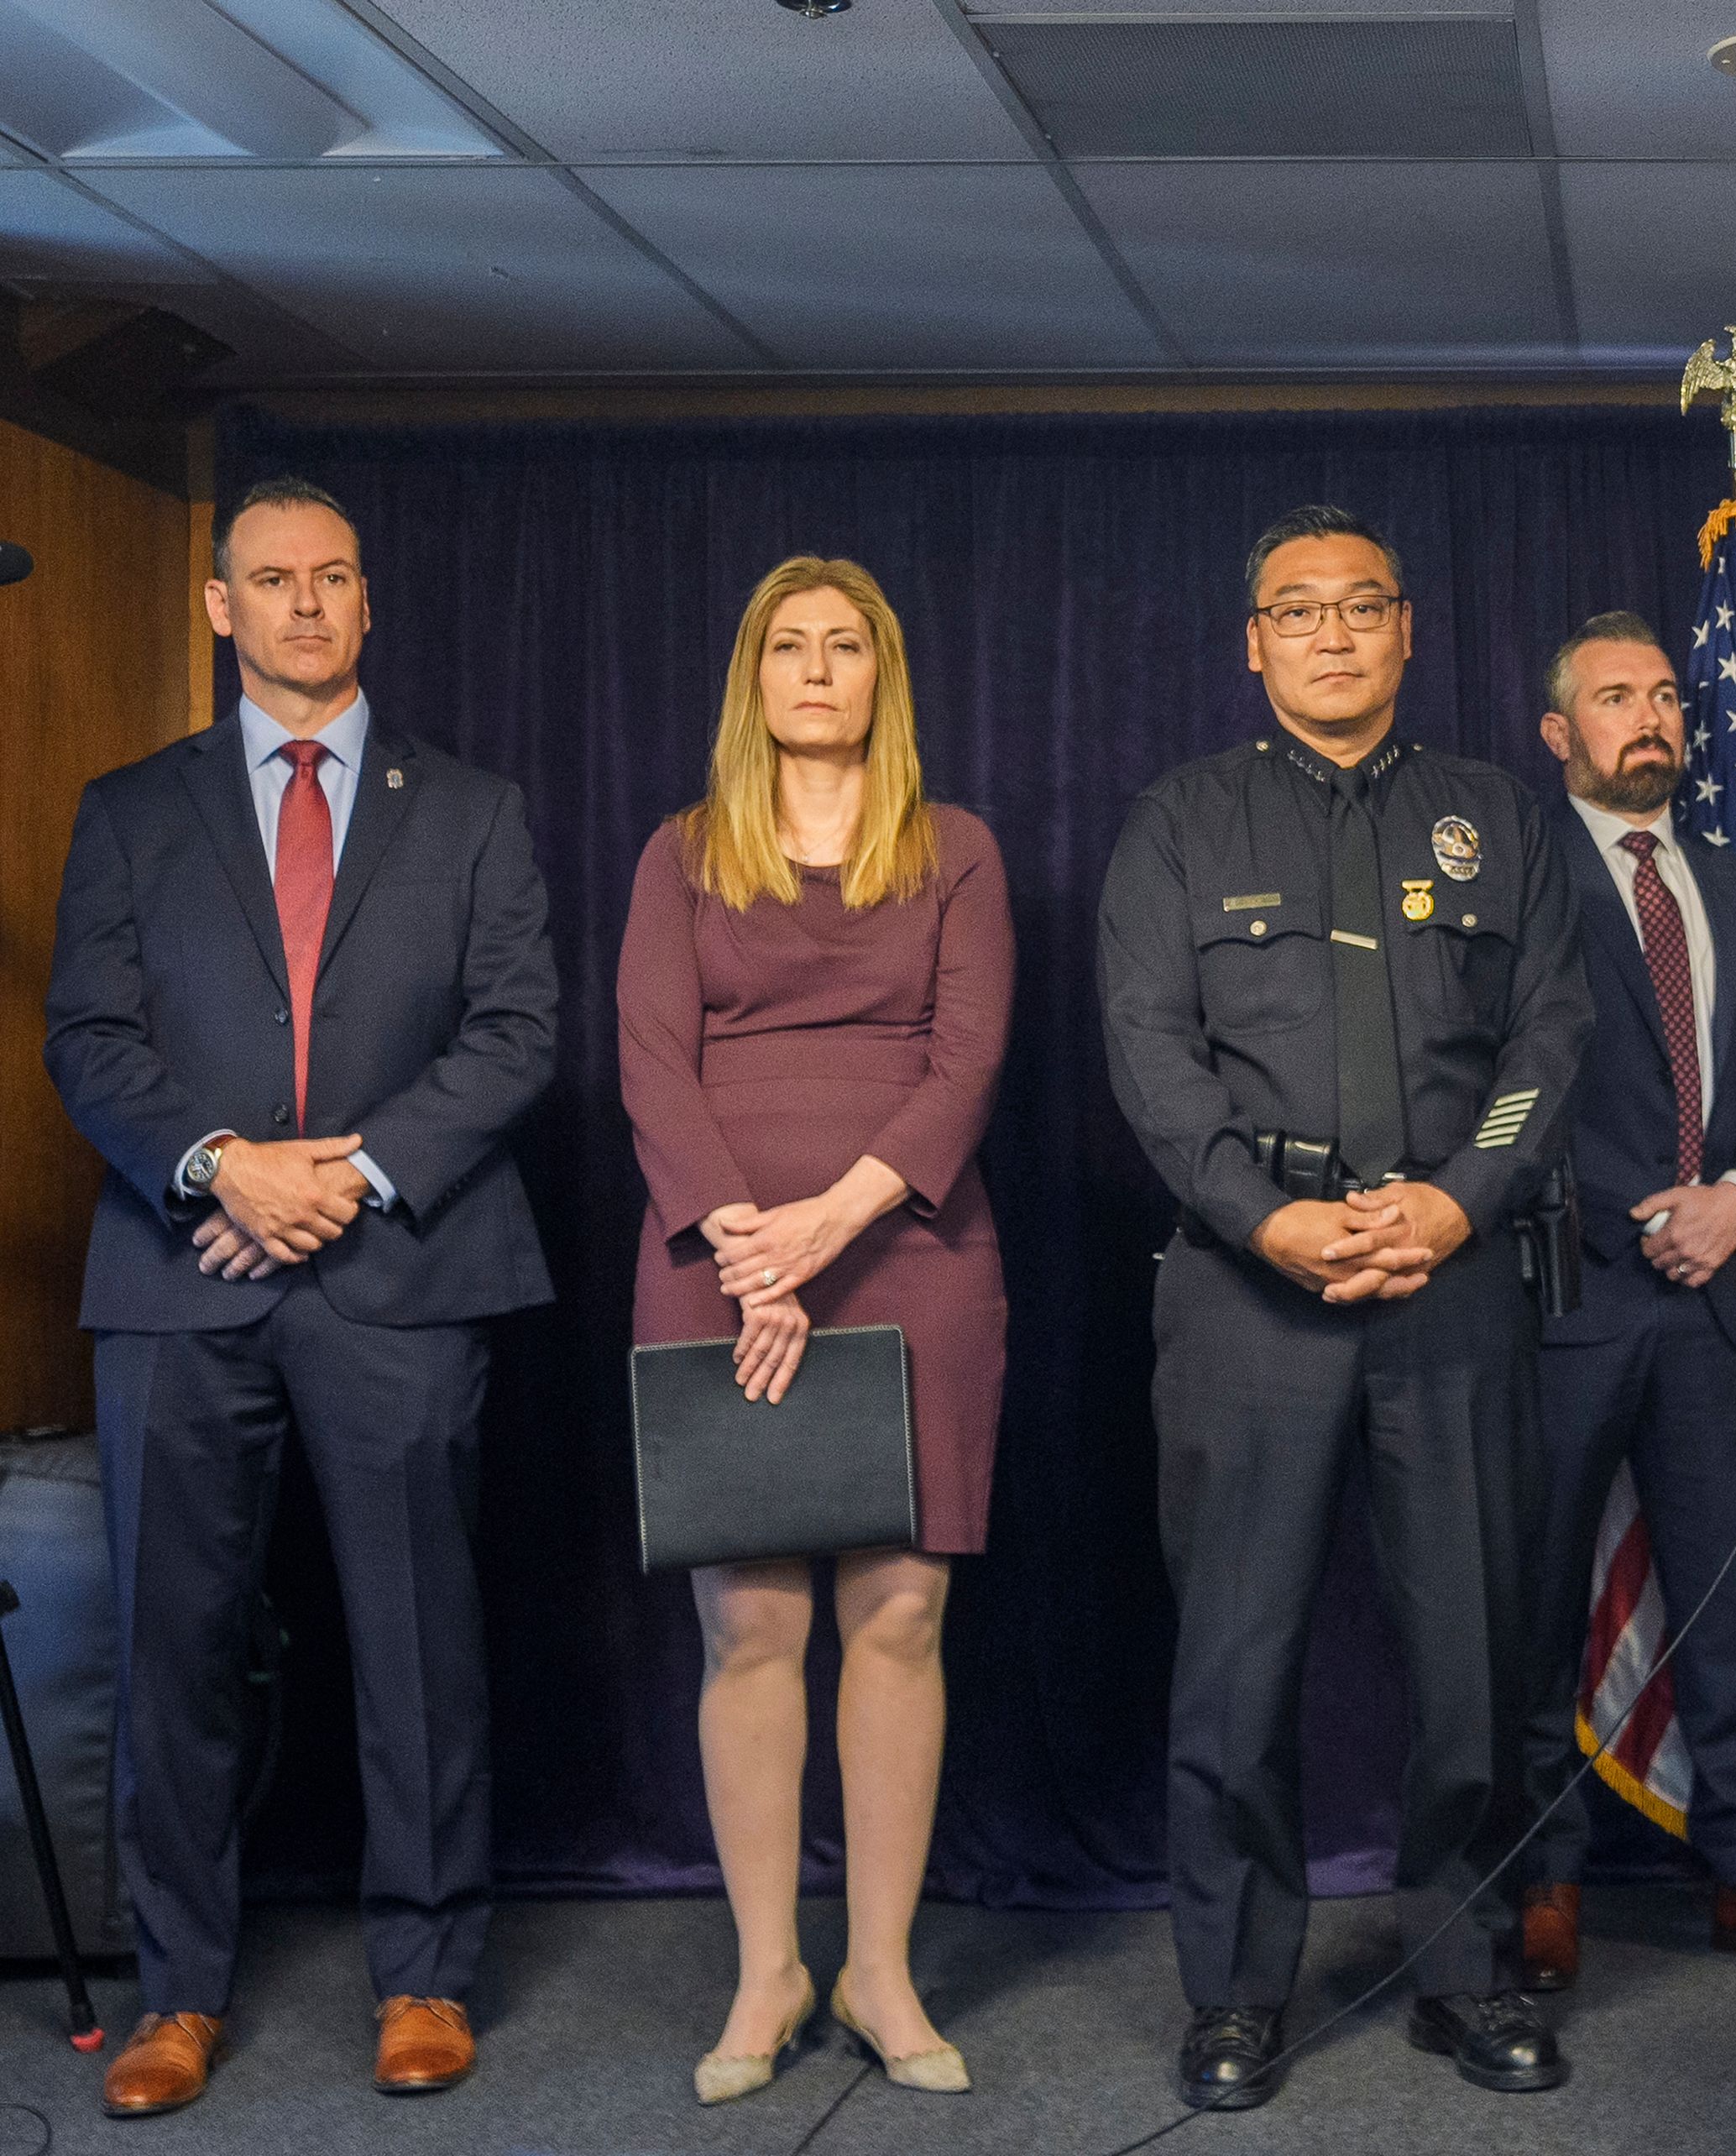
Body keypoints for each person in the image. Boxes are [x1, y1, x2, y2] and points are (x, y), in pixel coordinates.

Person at [42, 477, 557, 2114]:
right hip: (181, 1277)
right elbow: (91, 1038)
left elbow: (513, 1032)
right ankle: (178, 1997)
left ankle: (426, 1973)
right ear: (220, 608)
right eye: (272, 580)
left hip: (401, 1273)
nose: (306, 604)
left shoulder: (470, 808)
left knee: (420, 1646)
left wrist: (339, 1177)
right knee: (174, 1648)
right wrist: (221, 1165)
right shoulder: (130, 810)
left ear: (366, 600)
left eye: (334, 576)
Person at [1097, 506, 1593, 2108]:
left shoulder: (1497, 817)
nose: (1329, 633)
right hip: (1252, 1297)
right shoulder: (1180, 823)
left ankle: (1465, 1966)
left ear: (1403, 631)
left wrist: (1458, 1199)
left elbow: (1549, 1043)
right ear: (1253, 641)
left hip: (1453, 1281)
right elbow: (1153, 1059)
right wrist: (1273, 1218)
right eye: (1295, 610)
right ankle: (1238, 1990)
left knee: (1473, 1655)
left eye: (1359, 606)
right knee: (1236, 1667)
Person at [617, 556, 1014, 2101]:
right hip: (718, 1264)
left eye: (846, 645)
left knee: (900, 1619)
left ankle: (881, 1965)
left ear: (881, 676)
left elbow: (968, 1060)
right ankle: (770, 1964)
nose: (817, 668)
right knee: (754, 1624)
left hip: (909, 1250)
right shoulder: (682, 851)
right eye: (789, 644)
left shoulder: (955, 849)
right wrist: (745, 1245)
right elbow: (653, 1061)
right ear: (753, 676)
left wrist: (825, 1228)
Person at [1515, 613, 1736, 1991]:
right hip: (1564, 1296)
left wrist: (1734, 1197)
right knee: (1538, 1602)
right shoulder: (1520, 877)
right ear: (1561, 735)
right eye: (1615, 697)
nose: (1650, 717)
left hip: (1718, 1291)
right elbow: (1495, 1081)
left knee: (1727, 1602)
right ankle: (1543, 1872)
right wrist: (1631, 1212)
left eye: (1665, 694)